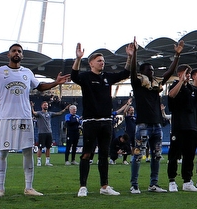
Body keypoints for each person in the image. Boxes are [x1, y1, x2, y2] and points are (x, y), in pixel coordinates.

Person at [0, 43, 70, 197]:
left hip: (25, 116)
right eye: (14, 51)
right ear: (8, 55)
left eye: (19, 51)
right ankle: (0, 189)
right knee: (2, 153)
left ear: (22, 56)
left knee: (28, 151)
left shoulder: (27, 72)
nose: (17, 53)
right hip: (6, 116)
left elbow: (40, 87)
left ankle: (29, 188)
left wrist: (56, 82)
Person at [70, 42, 133, 196]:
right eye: (99, 60)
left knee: (104, 154)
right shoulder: (85, 77)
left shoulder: (107, 77)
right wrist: (78, 59)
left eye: (103, 61)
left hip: (106, 122)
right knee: (86, 153)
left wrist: (130, 57)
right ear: (91, 63)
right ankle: (83, 186)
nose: (102, 63)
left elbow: (125, 73)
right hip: (90, 122)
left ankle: (104, 186)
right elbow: (73, 76)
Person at [127, 37, 181, 194]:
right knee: (138, 155)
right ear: (142, 72)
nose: (152, 71)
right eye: (148, 69)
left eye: (152, 69)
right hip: (143, 124)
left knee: (157, 156)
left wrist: (176, 56)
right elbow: (132, 71)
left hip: (156, 124)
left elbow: (169, 72)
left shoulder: (157, 84)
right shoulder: (138, 84)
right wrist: (134, 53)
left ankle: (154, 184)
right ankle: (134, 185)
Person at [32, 100, 67, 167]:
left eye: (47, 105)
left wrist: (65, 109)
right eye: (44, 105)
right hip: (41, 133)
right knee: (40, 147)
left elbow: (59, 113)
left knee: (48, 147)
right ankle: (39, 161)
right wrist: (32, 107)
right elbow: (34, 113)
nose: (46, 106)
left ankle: (47, 161)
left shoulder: (50, 114)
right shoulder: (39, 113)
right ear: (41, 106)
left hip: (49, 133)